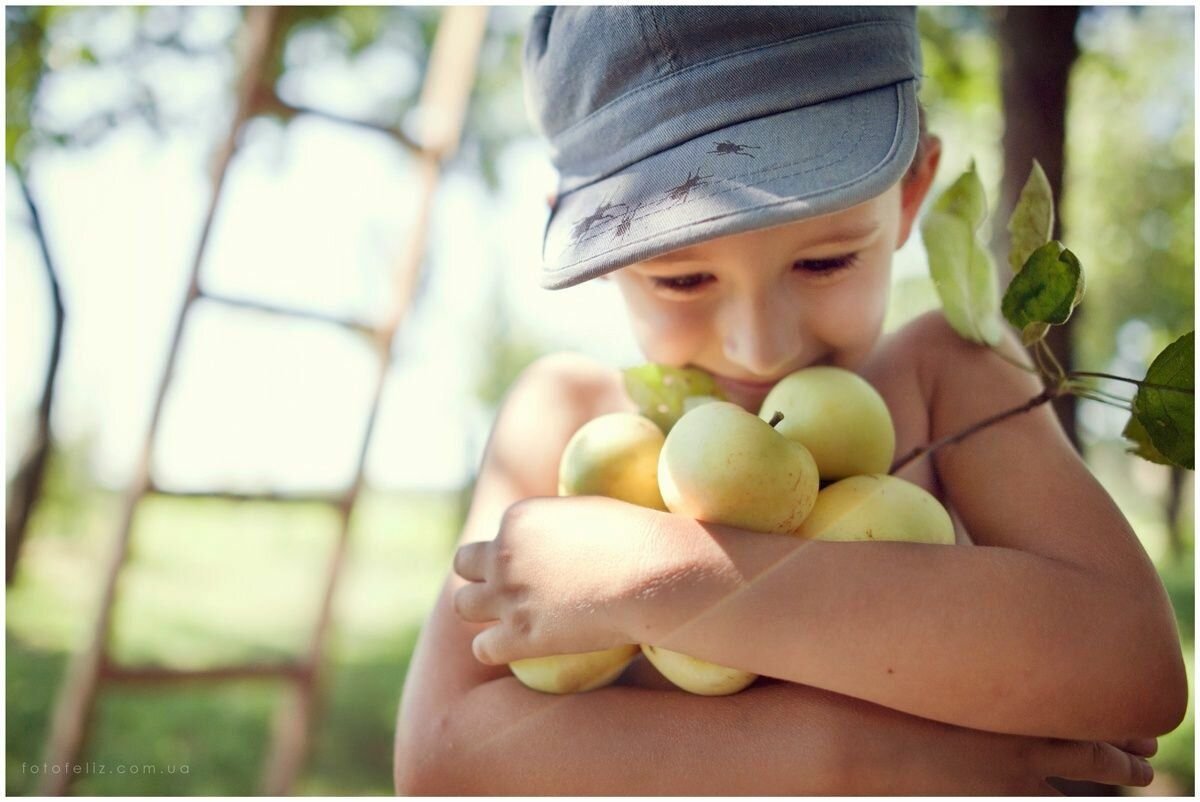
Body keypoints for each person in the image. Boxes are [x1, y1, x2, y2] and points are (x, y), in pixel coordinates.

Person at [394, 8, 1186, 794]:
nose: (760, 346)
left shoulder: (949, 378)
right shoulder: (563, 423)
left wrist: (658, 580)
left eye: (825, 262)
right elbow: (440, 762)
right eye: (681, 278)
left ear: (910, 193)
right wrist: (870, 758)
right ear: (594, 244)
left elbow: (1134, 671)